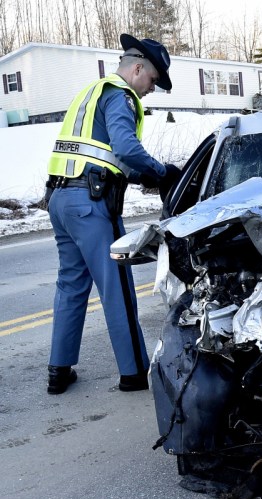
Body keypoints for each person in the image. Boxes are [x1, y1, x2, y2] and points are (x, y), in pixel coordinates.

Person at [45, 34, 181, 394]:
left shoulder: (89, 94)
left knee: (71, 285)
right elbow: (127, 148)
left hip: (60, 200)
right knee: (117, 287)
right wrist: (163, 172)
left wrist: (144, 176)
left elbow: (109, 157)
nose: (150, 90)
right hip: (91, 204)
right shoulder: (121, 96)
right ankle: (134, 373)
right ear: (137, 68)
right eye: (152, 81)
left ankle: (58, 371)